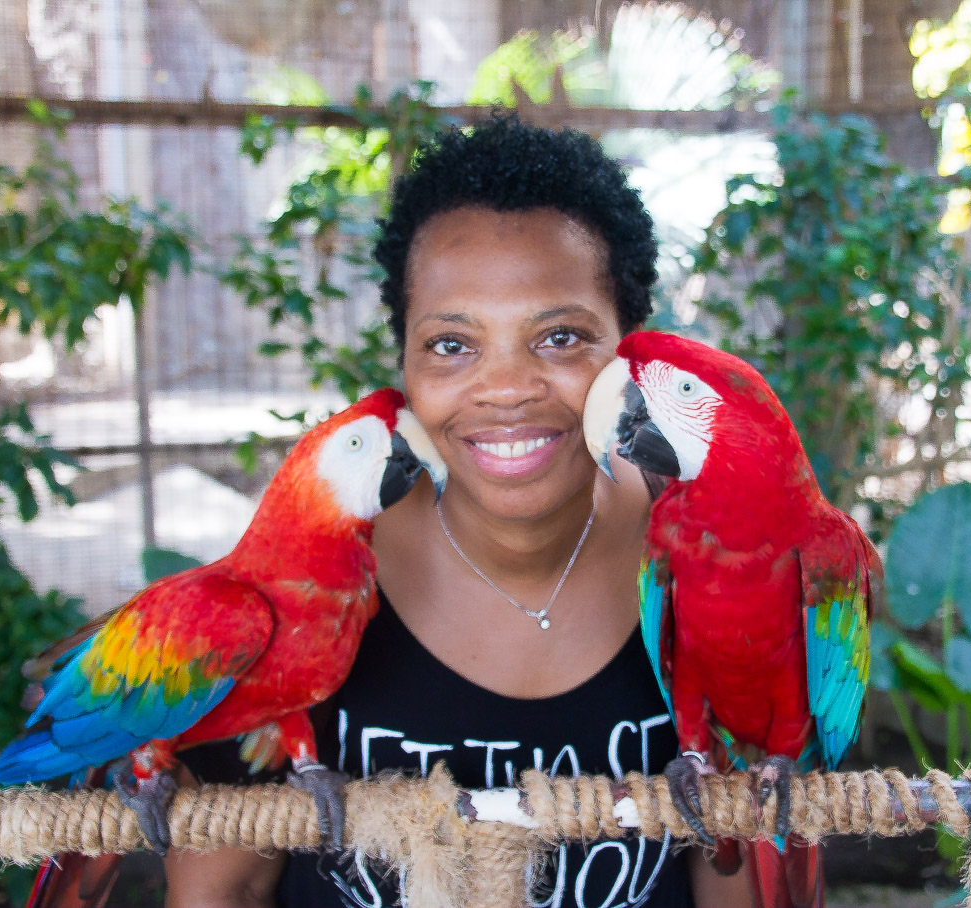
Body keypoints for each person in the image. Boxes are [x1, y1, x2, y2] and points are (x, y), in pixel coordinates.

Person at [166, 115, 750, 908]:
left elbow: (736, 877)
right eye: (451, 344)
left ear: (630, 352)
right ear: (404, 361)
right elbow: (221, 890)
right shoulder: (303, 577)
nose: (505, 389)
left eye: (561, 337)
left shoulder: (713, 563)